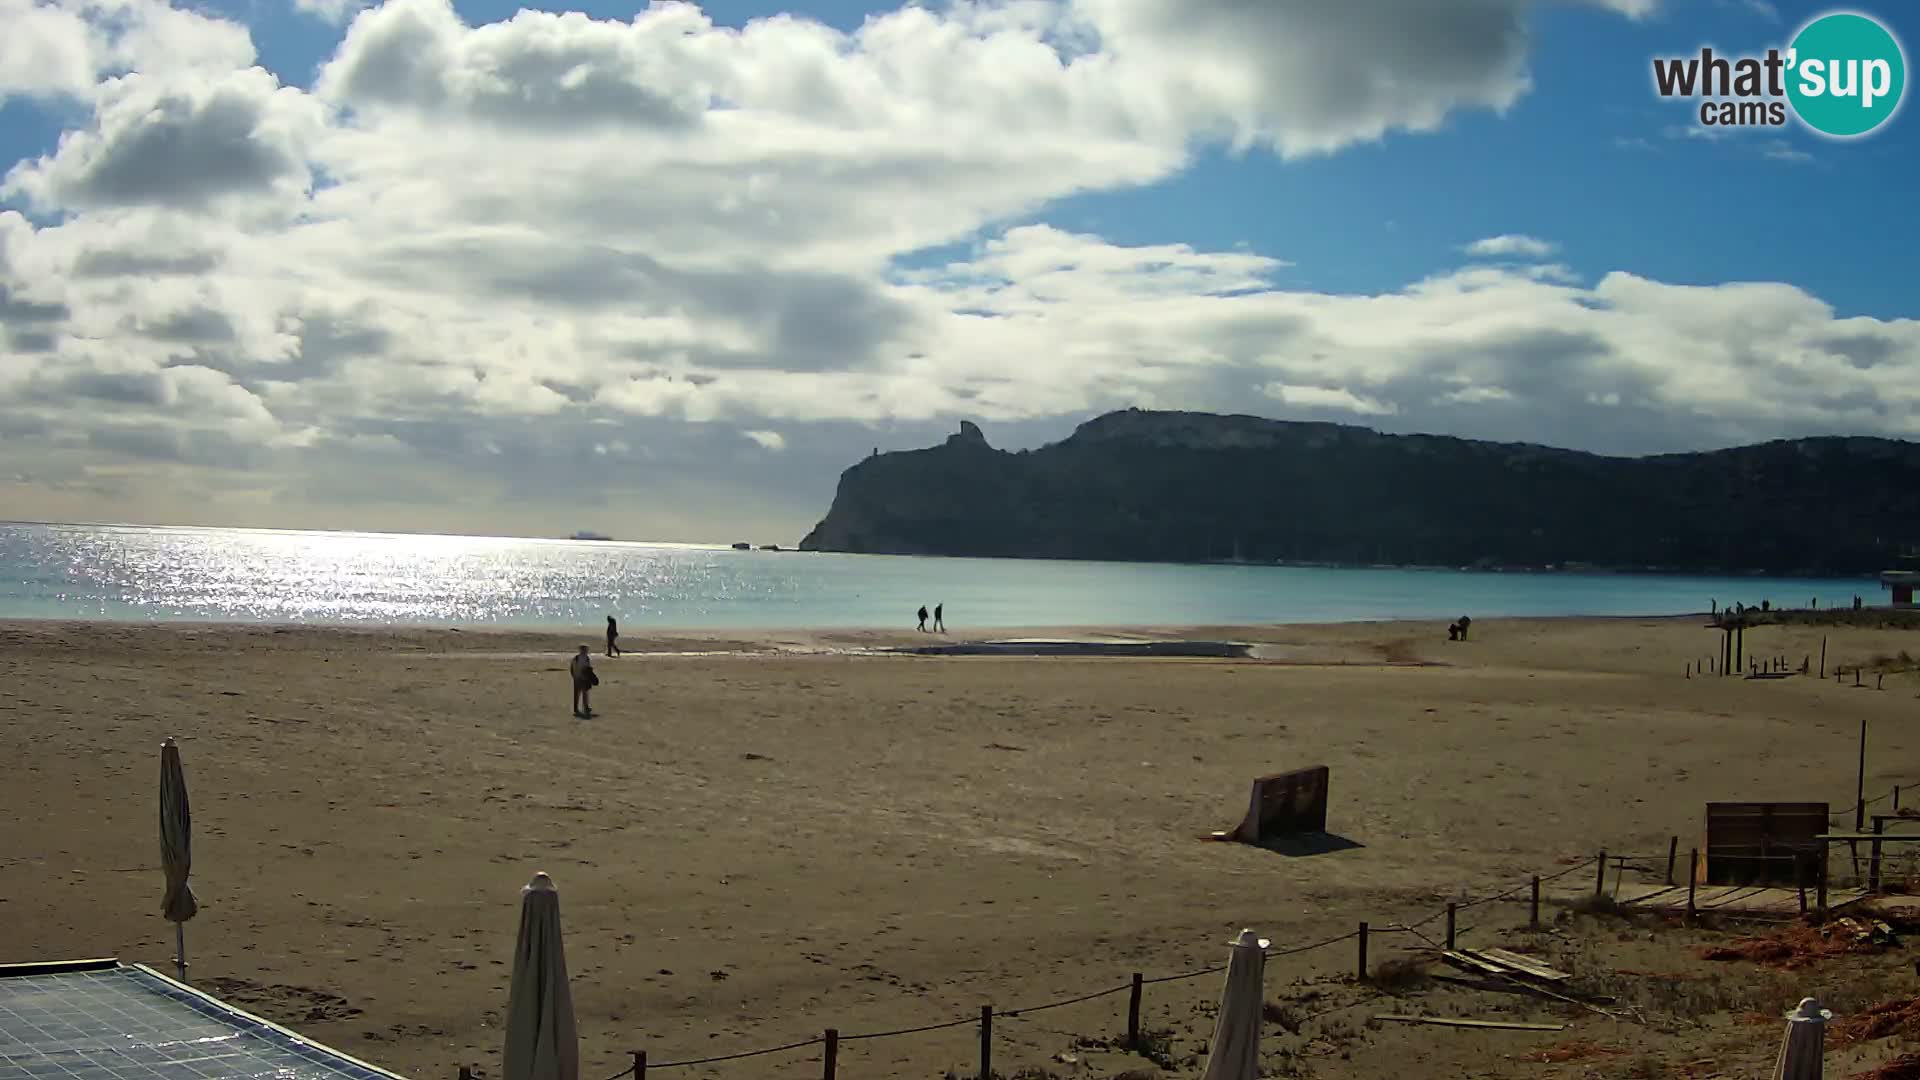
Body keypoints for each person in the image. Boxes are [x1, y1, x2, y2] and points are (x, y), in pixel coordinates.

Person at [569, 645, 598, 717]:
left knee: (584, 694)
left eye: (586, 650)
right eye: (584, 650)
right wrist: (574, 676)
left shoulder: (586, 658)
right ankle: (576, 709)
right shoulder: (576, 658)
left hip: (584, 678)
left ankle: (585, 707)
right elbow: (572, 668)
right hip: (578, 678)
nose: (586, 651)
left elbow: (588, 668)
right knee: (577, 694)